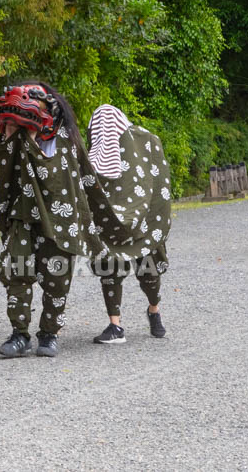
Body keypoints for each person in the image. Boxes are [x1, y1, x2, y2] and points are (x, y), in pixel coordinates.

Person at [0, 82, 99, 358]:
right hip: (23, 214)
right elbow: (4, 169)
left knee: (57, 277)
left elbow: (80, 180)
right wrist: (10, 135)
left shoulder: (67, 141)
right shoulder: (17, 137)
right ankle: (19, 335)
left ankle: (49, 334)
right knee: (17, 271)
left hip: (60, 218)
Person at [85, 104, 170, 344]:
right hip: (110, 223)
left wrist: (154, 217)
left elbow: (160, 179)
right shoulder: (93, 151)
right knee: (108, 266)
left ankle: (154, 309)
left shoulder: (147, 142)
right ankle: (115, 325)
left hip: (145, 221)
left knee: (149, 270)